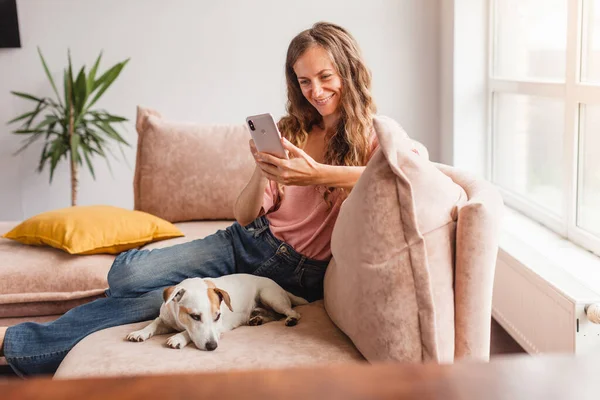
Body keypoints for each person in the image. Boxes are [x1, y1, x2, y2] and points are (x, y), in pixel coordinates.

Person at [0, 21, 379, 376]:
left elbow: (404, 173)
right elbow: (245, 216)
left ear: (347, 70)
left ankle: (15, 345)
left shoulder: (374, 138)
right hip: (246, 240)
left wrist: (316, 175)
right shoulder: (291, 129)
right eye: (304, 81)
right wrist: (260, 169)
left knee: (162, 305)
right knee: (126, 275)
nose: (316, 91)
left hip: (295, 272)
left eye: (325, 77)